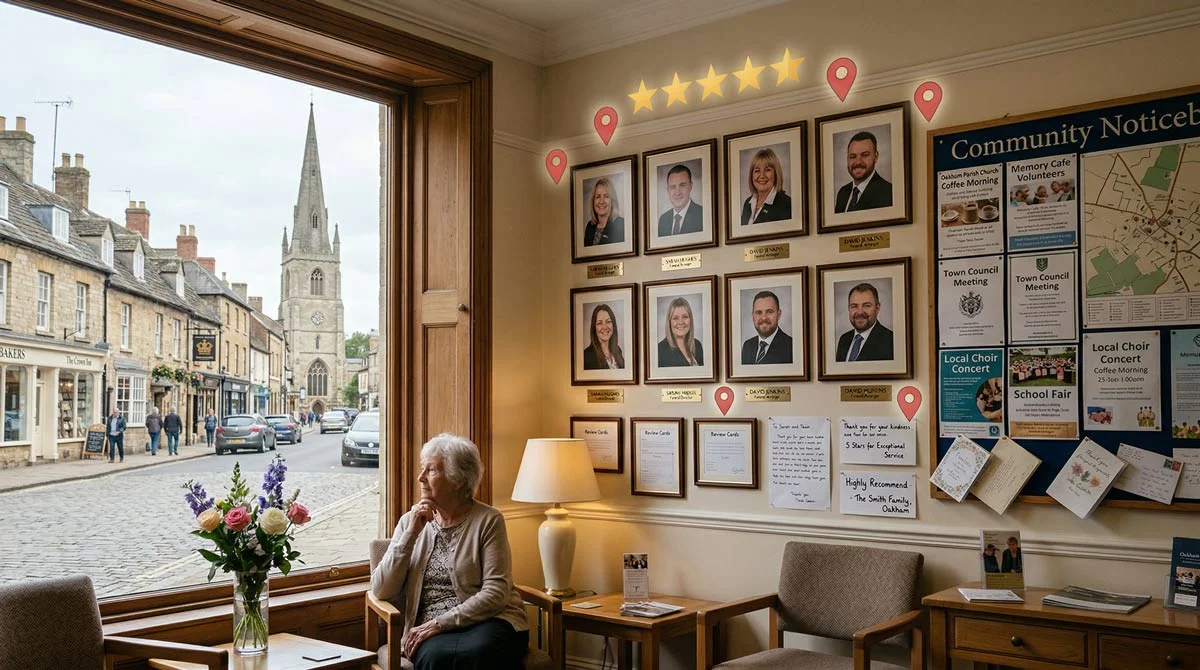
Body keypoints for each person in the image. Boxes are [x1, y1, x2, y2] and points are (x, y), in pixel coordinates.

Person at [371, 434, 529, 670]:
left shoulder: (488, 520)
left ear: (457, 480)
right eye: (422, 469)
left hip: (489, 621)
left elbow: (496, 593)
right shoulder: (410, 522)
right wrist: (410, 535)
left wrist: (439, 623)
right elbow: (381, 588)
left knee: (478, 653)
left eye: (431, 470)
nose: (420, 477)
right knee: (437, 658)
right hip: (429, 633)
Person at [834, 131, 893, 213]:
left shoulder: (889, 192)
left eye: (865, 155)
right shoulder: (843, 193)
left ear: (875, 157)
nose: (858, 162)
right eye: (853, 156)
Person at [835, 283, 894, 362]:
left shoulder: (890, 341)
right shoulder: (844, 339)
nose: (860, 312)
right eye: (854, 306)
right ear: (849, 308)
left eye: (866, 305)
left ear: (877, 308)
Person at [740, 148, 792, 225]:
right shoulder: (748, 203)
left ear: (776, 173)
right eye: (757, 171)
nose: (762, 176)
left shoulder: (786, 204)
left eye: (767, 170)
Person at [739, 290, 793, 364]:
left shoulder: (791, 346)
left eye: (769, 312)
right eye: (759, 312)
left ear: (779, 314)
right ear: (753, 316)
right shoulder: (747, 346)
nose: (764, 318)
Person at [657, 165, 703, 236]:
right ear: (668, 190)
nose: (677, 192)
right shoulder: (663, 220)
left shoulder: (702, 215)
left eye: (682, 185)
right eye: (673, 187)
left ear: (690, 186)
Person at [657, 297, 703, 367]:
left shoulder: (697, 345)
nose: (681, 322)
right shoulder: (660, 350)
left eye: (685, 317)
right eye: (675, 318)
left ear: (690, 319)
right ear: (669, 322)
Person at [582, 177, 624, 247]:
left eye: (606, 196)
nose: (601, 201)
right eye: (598, 197)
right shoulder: (590, 226)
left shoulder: (621, 224)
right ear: (593, 201)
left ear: (612, 200)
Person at [582, 304, 625, 370]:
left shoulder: (618, 350)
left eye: (608, 322)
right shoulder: (587, 356)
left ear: (613, 325)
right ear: (594, 328)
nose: (605, 327)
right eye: (599, 323)